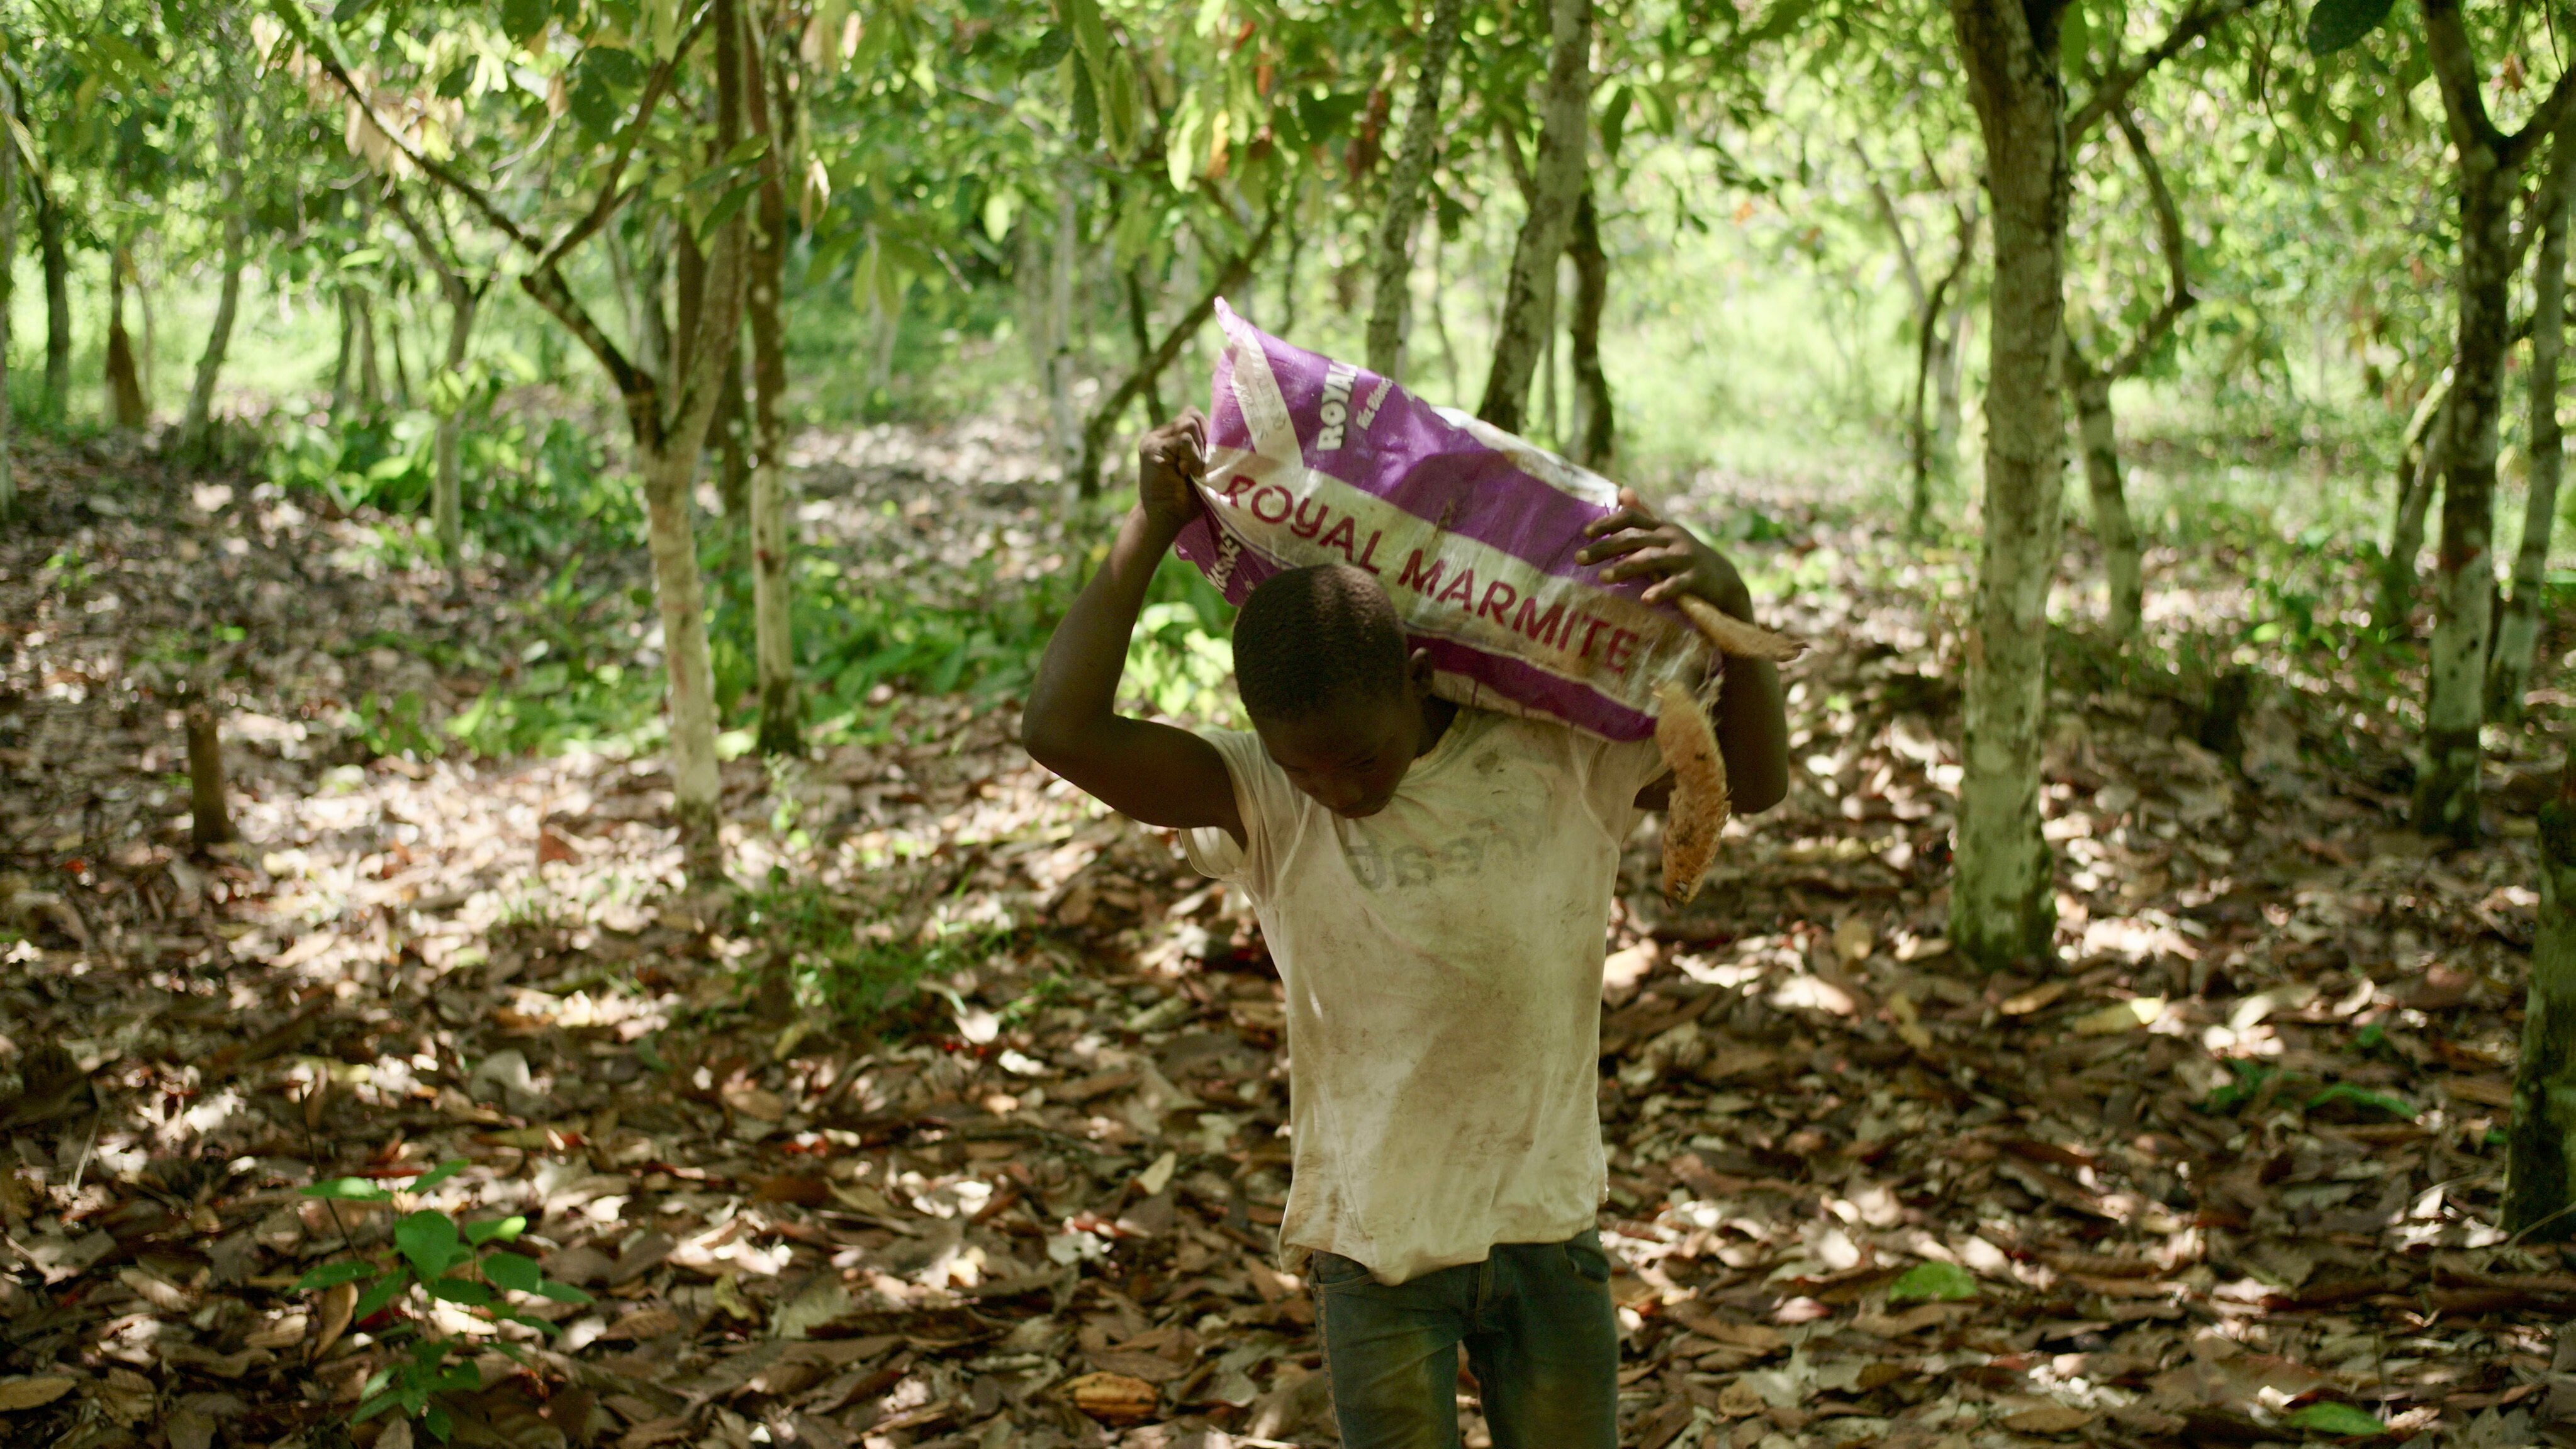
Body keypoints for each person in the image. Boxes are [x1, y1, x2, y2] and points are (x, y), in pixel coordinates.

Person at [1021, 409, 1790, 1449]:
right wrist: (1147, 530)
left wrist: (1731, 614)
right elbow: (1058, 731)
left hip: (1544, 1228)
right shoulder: (1263, 798)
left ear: (1417, 680)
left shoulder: (1551, 759)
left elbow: (1752, 785)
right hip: (1371, 1251)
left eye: (1359, 759)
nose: (1336, 791)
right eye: (1307, 769)